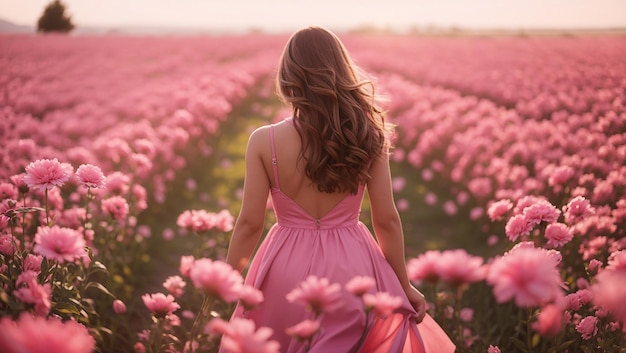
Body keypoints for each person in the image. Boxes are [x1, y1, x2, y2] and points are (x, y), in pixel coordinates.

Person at [224, 26, 455, 353]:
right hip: (352, 265)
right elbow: (386, 219)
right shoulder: (368, 135)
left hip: (284, 265)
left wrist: (225, 281)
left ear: (289, 76)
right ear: (340, 71)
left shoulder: (264, 141)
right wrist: (404, 285)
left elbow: (249, 223)